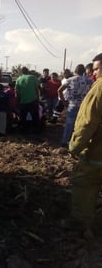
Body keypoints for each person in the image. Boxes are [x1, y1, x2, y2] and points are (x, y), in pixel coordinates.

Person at [63, 53, 102, 232]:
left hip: (97, 152)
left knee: (84, 184)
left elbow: (87, 122)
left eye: (96, 69)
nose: (94, 74)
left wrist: (75, 146)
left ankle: (81, 224)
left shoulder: (99, 88)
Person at [57, 64, 93, 147]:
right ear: (84, 71)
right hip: (84, 106)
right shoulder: (89, 80)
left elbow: (59, 90)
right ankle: (79, 143)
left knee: (69, 125)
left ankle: (65, 142)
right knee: (81, 125)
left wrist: (64, 101)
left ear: (75, 71)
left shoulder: (69, 80)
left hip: (72, 105)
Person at [15, 66, 40, 133]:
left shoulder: (18, 79)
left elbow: (17, 92)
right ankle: (36, 130)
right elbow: (37, 89)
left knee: (23, 117)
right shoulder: (33, 77)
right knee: (35, 117)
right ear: (28, 71)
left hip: (23, 101)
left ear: (22, 72)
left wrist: (18, 101)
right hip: (33, 100)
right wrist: (38, 99)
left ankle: (23, 130)